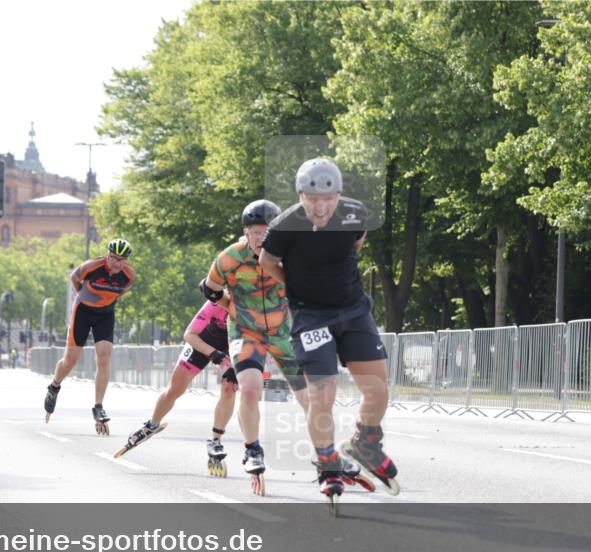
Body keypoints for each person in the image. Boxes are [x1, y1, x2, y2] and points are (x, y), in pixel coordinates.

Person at [260, 158, 399, 500]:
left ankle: (365, 442)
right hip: (311, 316)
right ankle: (327, 464)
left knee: (378, 390)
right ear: (300, 195)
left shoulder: (355, 214)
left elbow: (356, 244)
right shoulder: (283, 227)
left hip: (353, 310)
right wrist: (296, 286)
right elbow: (266, 262)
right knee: (322, 395)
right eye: (312, 199)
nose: (321, 207)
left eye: (328, 198)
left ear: (338, 195)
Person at [200, 200, 319, 496]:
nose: (261, 237)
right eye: (255, 231)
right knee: (251, 388)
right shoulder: (229, 258)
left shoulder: (291, 256)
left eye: (268, 231)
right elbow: (211, 289)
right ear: (246, 232)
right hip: (246, 332)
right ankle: (252, 449)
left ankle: (325, 452)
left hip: (283, 333)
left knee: (309, 396)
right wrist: (232, 309)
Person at [115, 295, 240, 476]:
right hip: (203, 341)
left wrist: (236, 365)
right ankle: (152, 424)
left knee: (230, 388)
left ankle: (215, 440)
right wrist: (212, 353)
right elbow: (189, 334)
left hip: (233, 346)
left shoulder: (253, 307)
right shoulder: (215, 303)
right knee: (176, 388)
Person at [44, 238, 136, 435]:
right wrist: (83, 294)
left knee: (104, 358)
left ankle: (98, 406)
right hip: (83, 312)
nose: (116, 263)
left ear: (126, 260)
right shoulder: (91, 267)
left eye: (121, 260)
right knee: (70, 361)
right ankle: (54, 386)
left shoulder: (128, 276)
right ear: (107, 255)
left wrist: (104, 300)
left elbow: (121, 292)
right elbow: (74, 278)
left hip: (105, 314)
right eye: (113, 258)